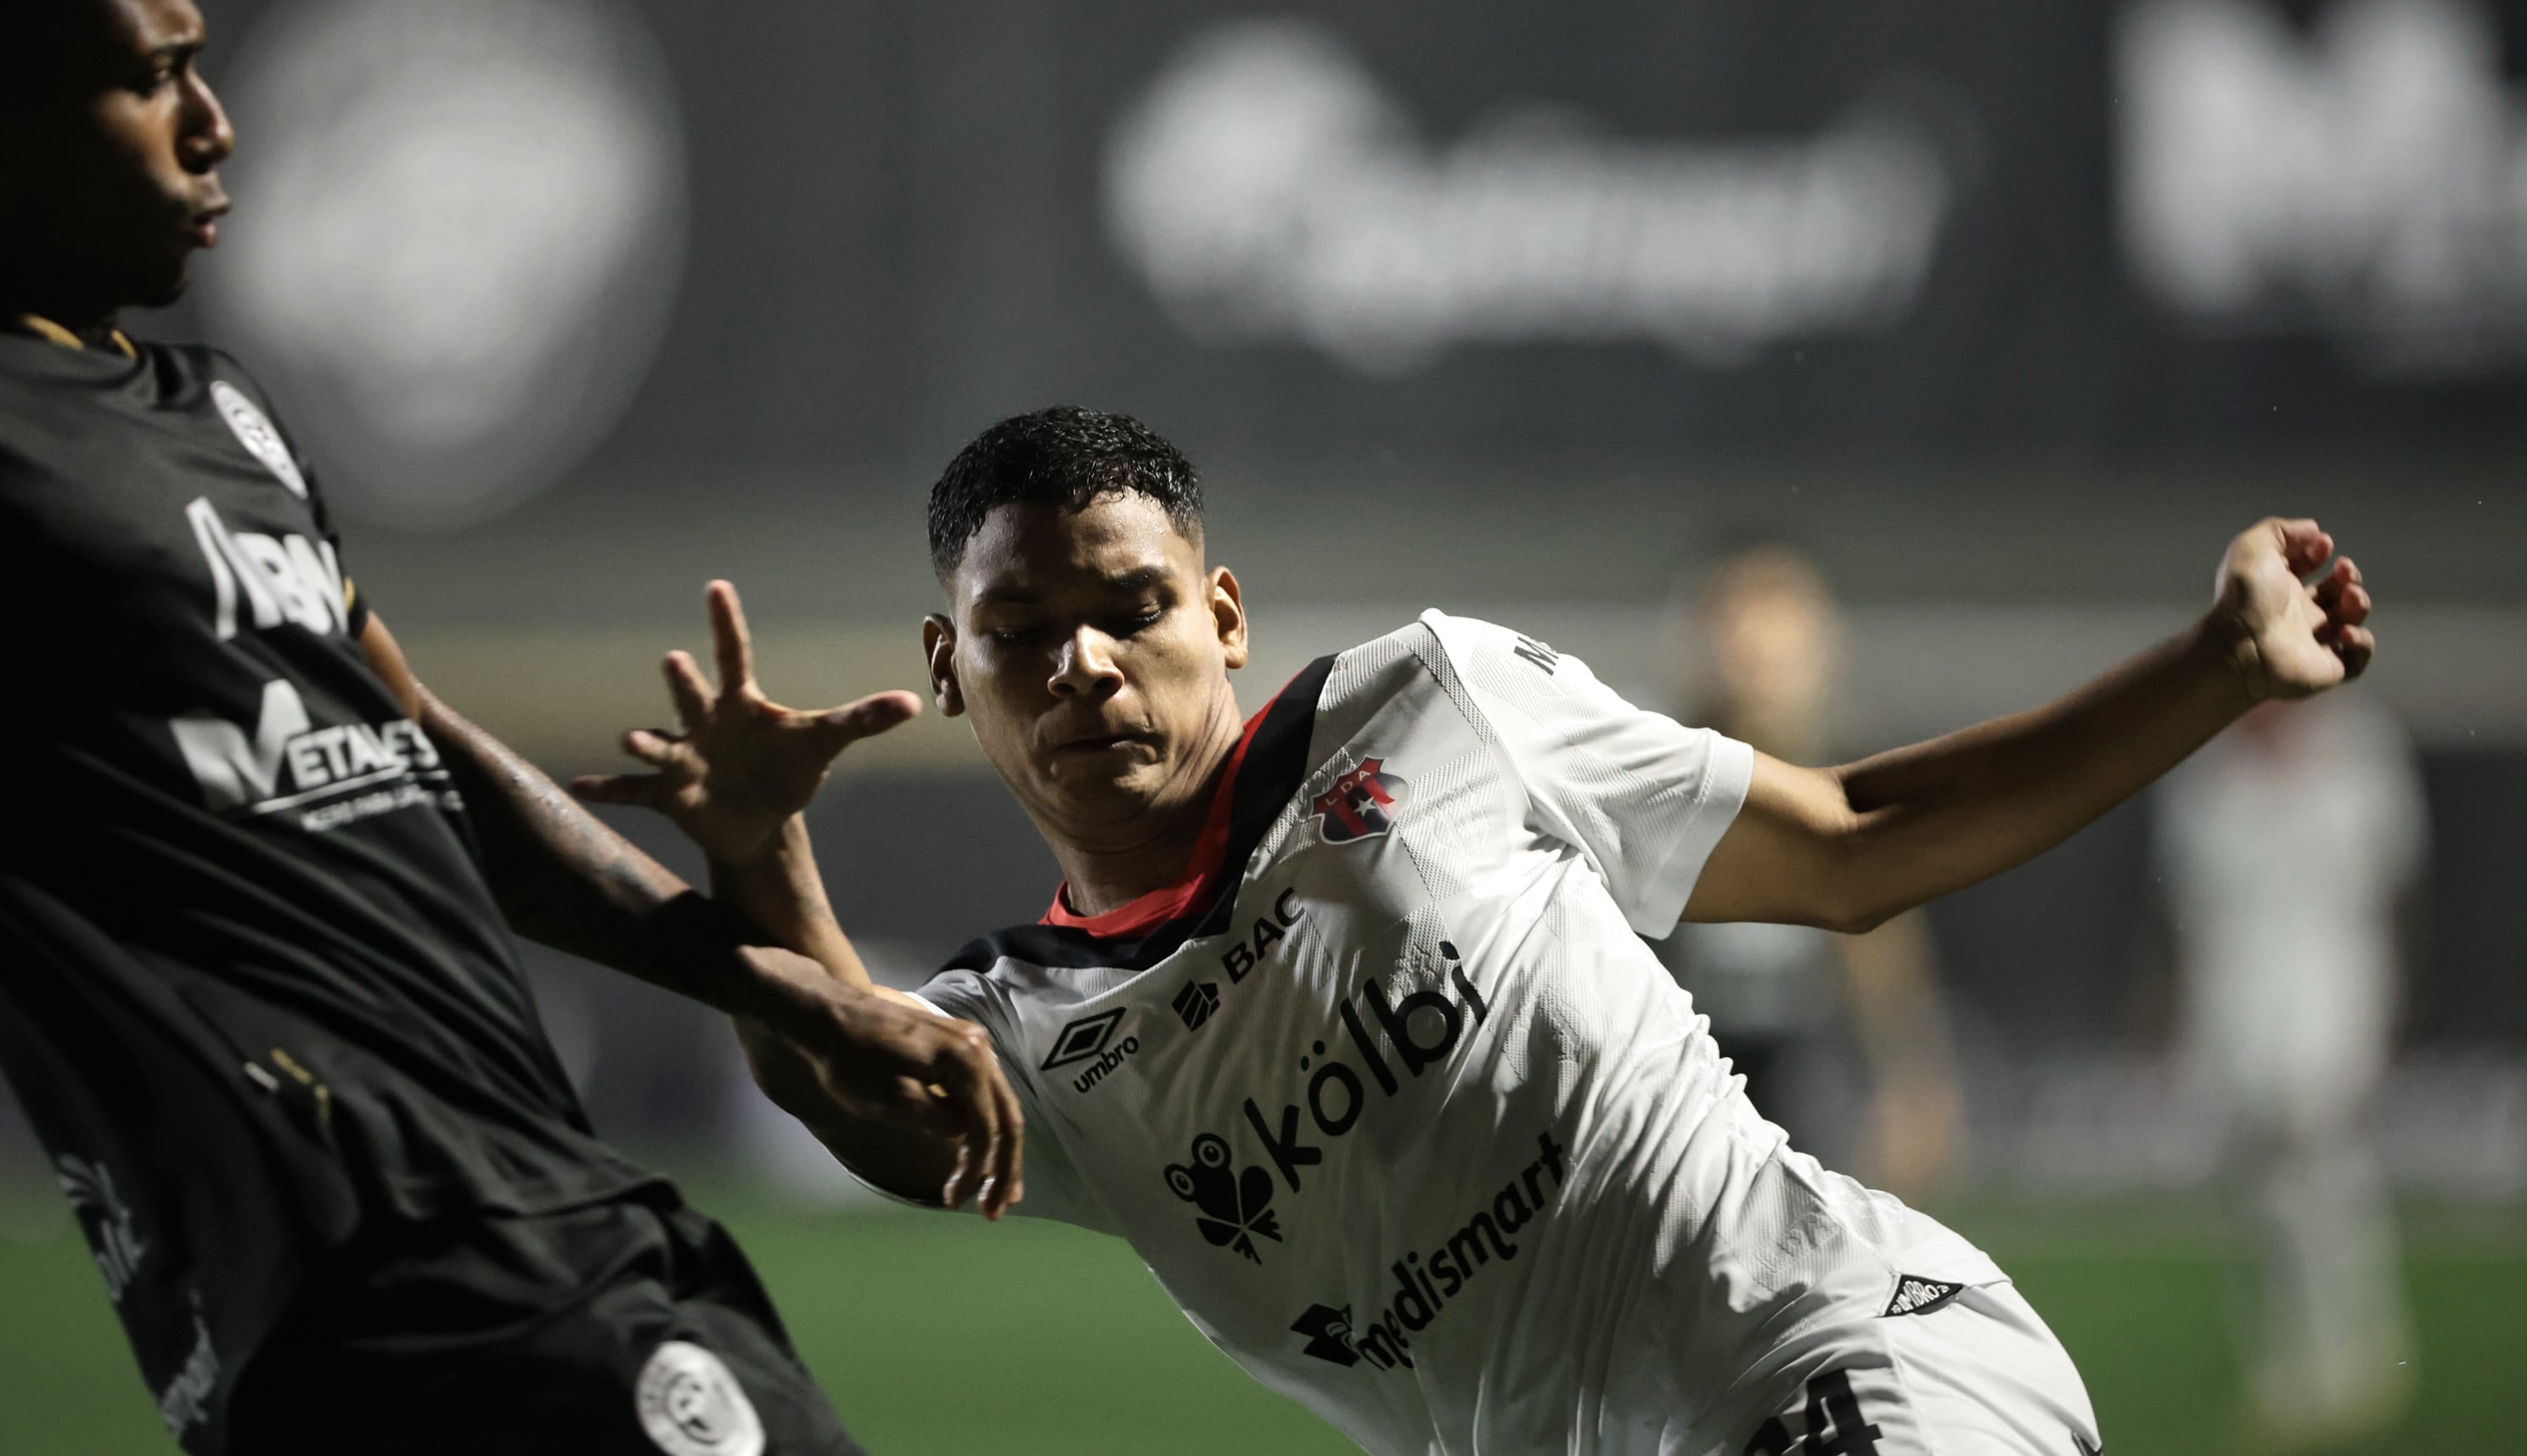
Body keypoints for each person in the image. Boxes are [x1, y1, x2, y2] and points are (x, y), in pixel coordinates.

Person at [585, 406, 2376, 1456]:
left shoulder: (1432, 709)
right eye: (1021, 626)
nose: (1084, 660)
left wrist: (2216, 664)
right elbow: (864, 1085)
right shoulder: (1039, 1037)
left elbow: (1856, 840)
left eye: (1131, 603)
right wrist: (758, 848)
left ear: (1220, 610)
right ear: (945, 669)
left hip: (1856, 1357)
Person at [0, 0, 1021, 1456]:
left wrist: (784, 983)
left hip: (489, 1252)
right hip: (427, 1266)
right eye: (150, 76)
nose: (215, 122)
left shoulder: (222, 417)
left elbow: (430, 770)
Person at [2153, 694, 2427, 1447]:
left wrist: (2393, 1006)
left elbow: (2390, 889)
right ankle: (2288, 1354)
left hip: (2334, 985)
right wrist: (2175, 1014)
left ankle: (2356, 1352)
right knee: (2256, 1185)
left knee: (2323, 1166)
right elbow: (2186, 908)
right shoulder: (2203, 770)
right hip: (2236, 995)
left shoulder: (2360, 750)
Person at [1651, 542, 1965, 1195]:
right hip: (1678, 1073)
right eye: (1738, 618)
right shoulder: (1659, 773)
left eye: (1783, 618)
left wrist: (1911, 1076)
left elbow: (1879, 939)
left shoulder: (1850, 777)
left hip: (1807, 1075)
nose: (1758, 646)